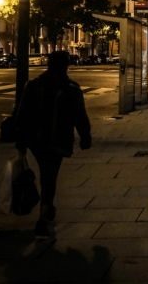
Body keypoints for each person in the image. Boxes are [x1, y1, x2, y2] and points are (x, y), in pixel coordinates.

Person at [15, 50, 92, 238]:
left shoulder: (34, 86)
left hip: (36, 139)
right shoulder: (71, 88)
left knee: (46, 172)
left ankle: (46, 208)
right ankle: (45, 210)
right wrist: (85, 136)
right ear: (66, 66)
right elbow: (80, 115)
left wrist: (21, 140)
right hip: (58, 138)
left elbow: (22, 114)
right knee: (50, 175)